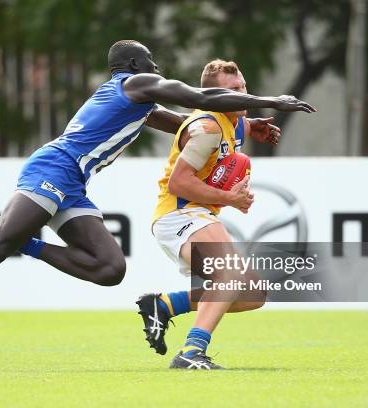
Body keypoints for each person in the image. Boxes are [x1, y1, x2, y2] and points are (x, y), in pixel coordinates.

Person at [0, 40, 314, 370]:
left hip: (72, 183)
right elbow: (196, 99)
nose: (157, 71)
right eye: (151, 63)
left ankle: (26, 245)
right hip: (52, 170)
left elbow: (182, 124)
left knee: (110, 269)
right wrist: (271, 101)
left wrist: (246, 121)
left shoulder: (137, 104)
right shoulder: (134, 83)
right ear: (131, 67)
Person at [137, 59, 292, 369]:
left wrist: (255, 126)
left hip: (197, 215)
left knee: (253, 293)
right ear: (214, 96)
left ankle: (166, 304)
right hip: (179, 214)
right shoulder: (205, 128)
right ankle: (191, 353)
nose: (243, 94)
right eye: (233, 90)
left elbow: (237, 127)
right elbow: (179, 183)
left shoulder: (234, 120)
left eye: (243, 87)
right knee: (230, 275)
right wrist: (230, 199)